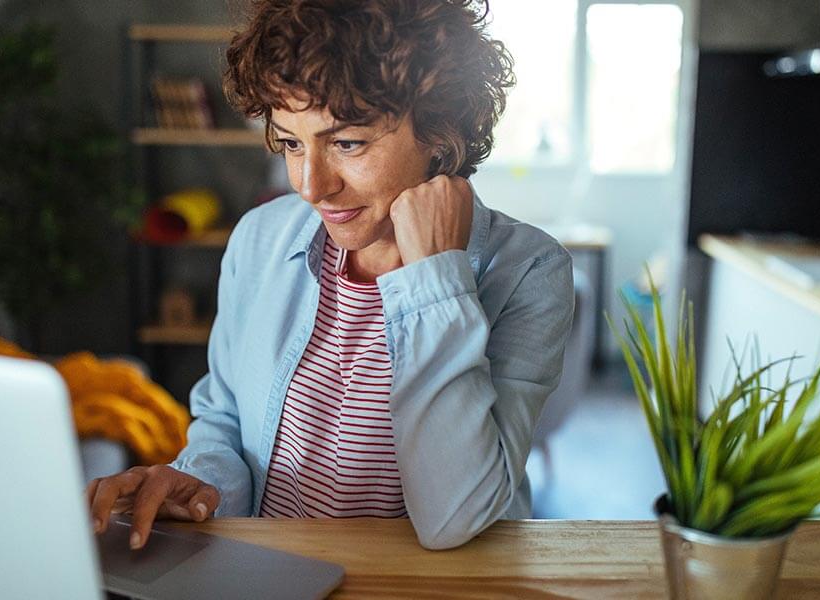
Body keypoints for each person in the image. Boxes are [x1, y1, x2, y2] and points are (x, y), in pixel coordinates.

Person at [86, 0, 574, 551]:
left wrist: (436, 279)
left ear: (441, 128)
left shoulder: (529, 271)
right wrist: (201, 484)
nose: (310, 186)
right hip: (270, 576)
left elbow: (456, 516)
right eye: (292, 142)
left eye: (347, 143)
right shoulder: (259, 239)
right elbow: (222, 420)